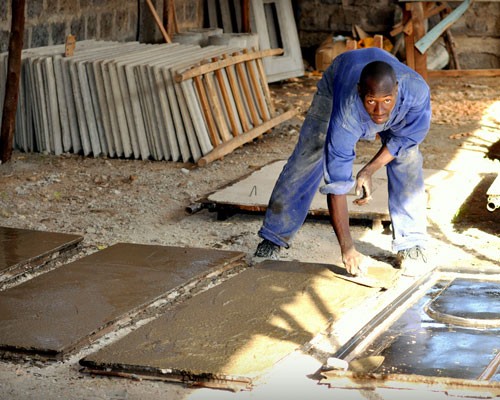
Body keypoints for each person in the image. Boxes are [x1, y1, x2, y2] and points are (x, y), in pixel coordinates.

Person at [254, 47, 431, 277]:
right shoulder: (347, 113)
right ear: (360, 93)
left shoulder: (416, 92)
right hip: (340, 77)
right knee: (311, 152)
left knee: (408, 157)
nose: (379, 110)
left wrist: (369, 169)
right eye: (371, 101)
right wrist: (347, 248)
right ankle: (273, 237)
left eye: (387, 100)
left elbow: (405, 139)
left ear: (396, 90)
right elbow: (337, 183)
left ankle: (411, 244)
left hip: (387, 83)